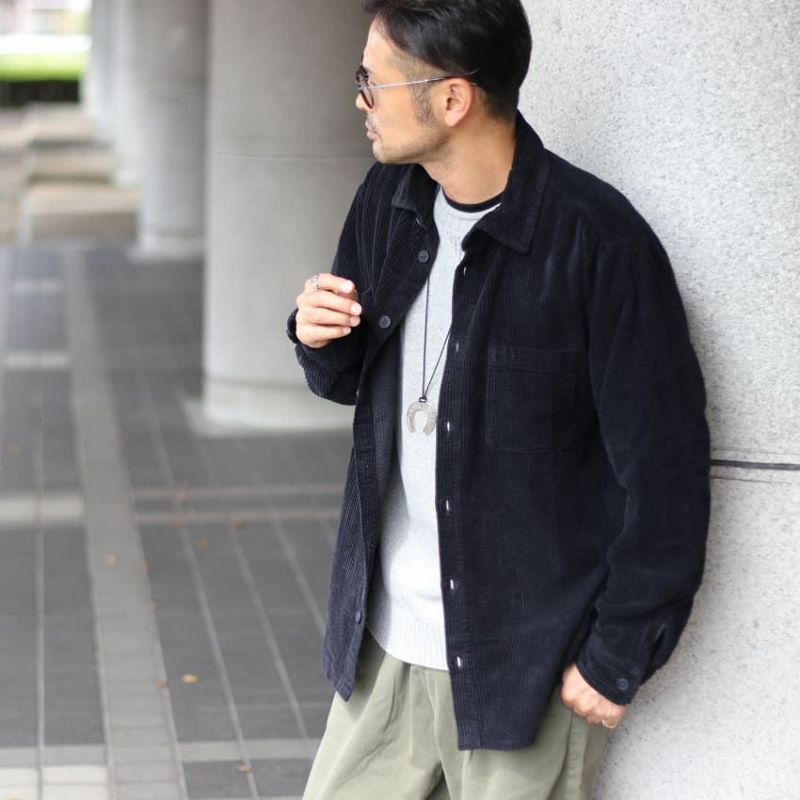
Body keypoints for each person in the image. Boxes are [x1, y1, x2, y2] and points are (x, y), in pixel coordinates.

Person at [286, 1, 711, 797]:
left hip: (525, 671)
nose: (359, 101)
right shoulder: (387, 202)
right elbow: (344, 378)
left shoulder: (598, 243)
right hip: (383, 649)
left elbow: (666, 469)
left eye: (373, 82)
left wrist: (619, 655)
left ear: (452, 99)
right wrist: (317, 335)